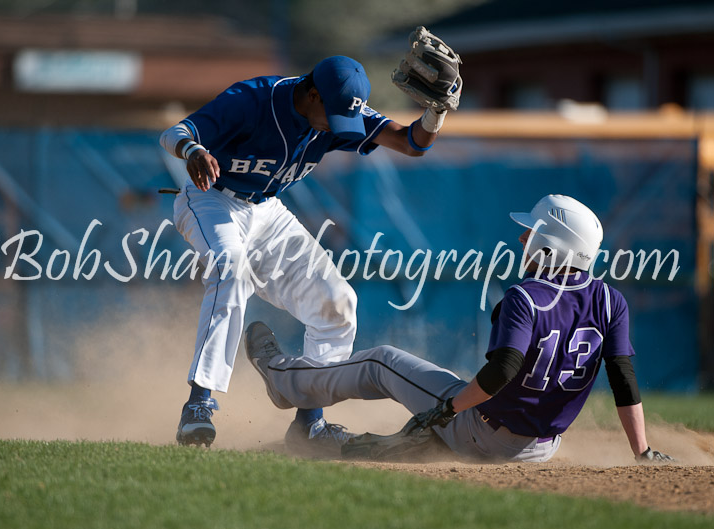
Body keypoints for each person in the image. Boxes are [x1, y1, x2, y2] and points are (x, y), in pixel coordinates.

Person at [159, 55, 457, 448]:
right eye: (331, 113)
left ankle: (309, 425)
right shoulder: (253, 99)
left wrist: (436, 113)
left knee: (337, 301)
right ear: (312, 92)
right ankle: (199, 404)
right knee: (229, 269)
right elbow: (174, 133)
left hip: (267, 210)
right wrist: (193, 151)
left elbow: (410, 143)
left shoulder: (339, 107)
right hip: (212, 200)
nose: (337, 127)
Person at [244, 194, 674, 463]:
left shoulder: (526, 297)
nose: (523, 239)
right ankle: (377, 442)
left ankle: (280, 379)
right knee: (430, 419)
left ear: (552, 245)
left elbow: (502, 370)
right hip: (541, 450)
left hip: (482, 430)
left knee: (381, 361)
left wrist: (447, 411)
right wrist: (642, 452)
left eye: (532, 233)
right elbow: (623, 379)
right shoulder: (609, 300)